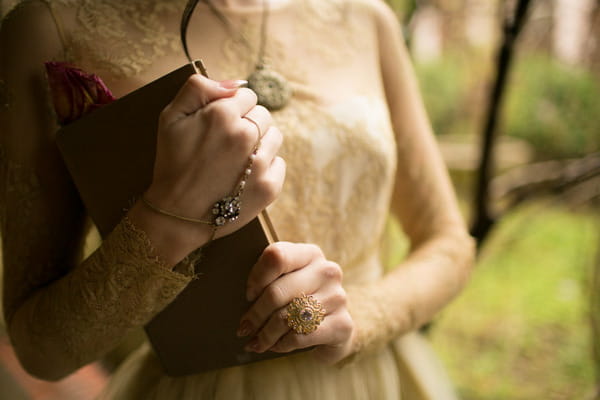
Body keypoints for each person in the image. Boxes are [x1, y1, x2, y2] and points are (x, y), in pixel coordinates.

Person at [0, 0, 475, 398]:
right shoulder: (54, 27)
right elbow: (41, 351)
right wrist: (176, 215)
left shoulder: (365, 18)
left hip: (370, 380)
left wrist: (361, 316)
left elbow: (449, 243)